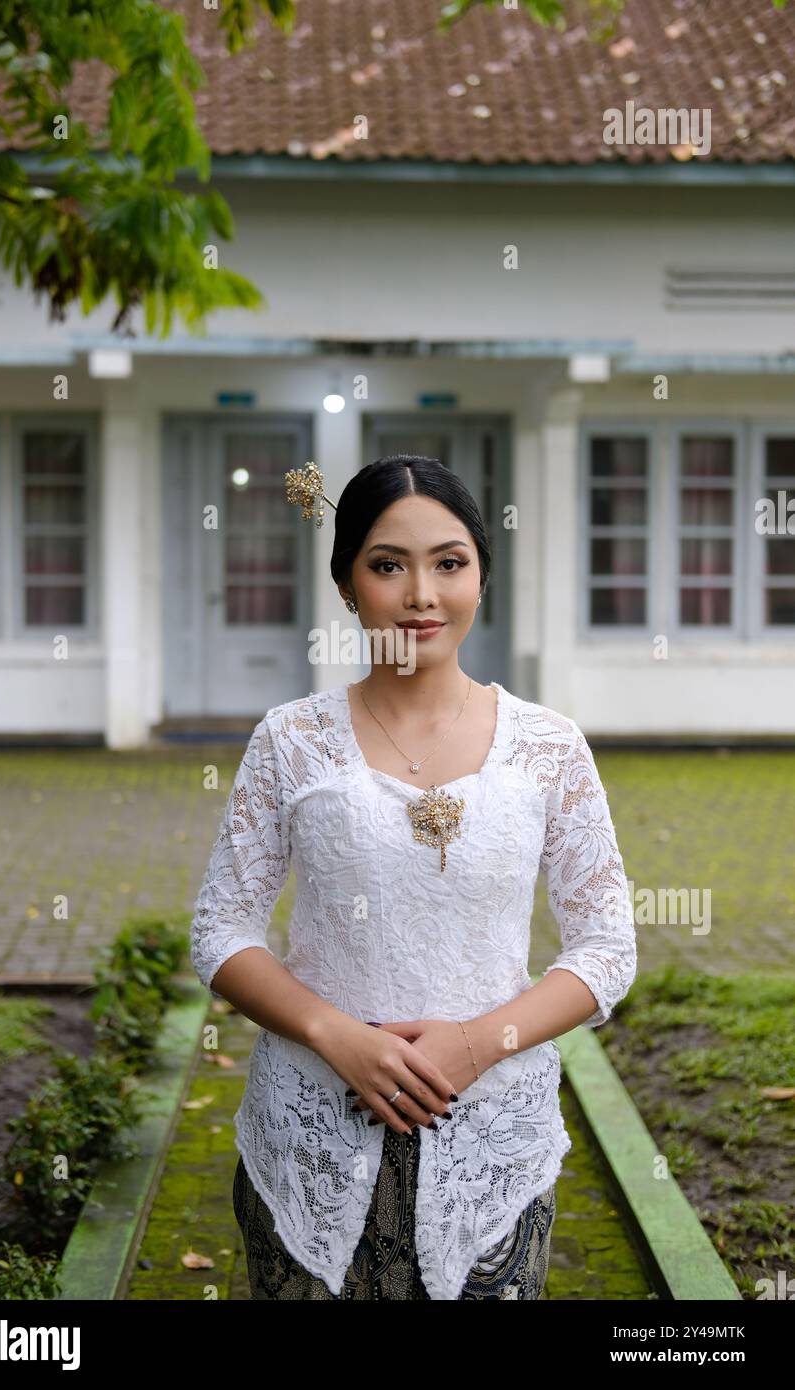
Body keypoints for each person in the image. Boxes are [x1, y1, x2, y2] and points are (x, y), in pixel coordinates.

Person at [190, 454, 637, 1301]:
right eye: (388, 564)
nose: (421, 594)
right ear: (347, 584)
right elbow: (221, 930)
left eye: (449, 562)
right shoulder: (291, 741)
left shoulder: (548, 747)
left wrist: (475, 1046)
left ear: (481, 577)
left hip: (493, 1140)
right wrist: (337, 1036)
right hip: (313, 1130)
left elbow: (608, 948)